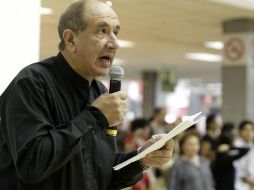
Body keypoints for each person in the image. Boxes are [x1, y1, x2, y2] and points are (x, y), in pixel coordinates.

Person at [0, 1, 174, 189]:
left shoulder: (99, 92)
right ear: (70, 40)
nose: (114, 43)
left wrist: (141, 158)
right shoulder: (32, 84)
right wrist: (95, 116)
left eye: (115, 32)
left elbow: (100, 175)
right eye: (102, 31)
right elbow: (32, 165)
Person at [211, 123, 249, 190]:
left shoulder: (224, 156)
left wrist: (230, 148)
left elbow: (245, 150)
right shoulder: (223, 158)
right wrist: (231, 148)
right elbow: (245, 150)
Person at [234, 120, 254, 190]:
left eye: (251, 130)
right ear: (240, 132)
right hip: (240, 185)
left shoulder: (251, 146)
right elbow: (237, 169)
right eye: (246, 130)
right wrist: (248, 180)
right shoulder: (236, 147)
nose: (249, 133)